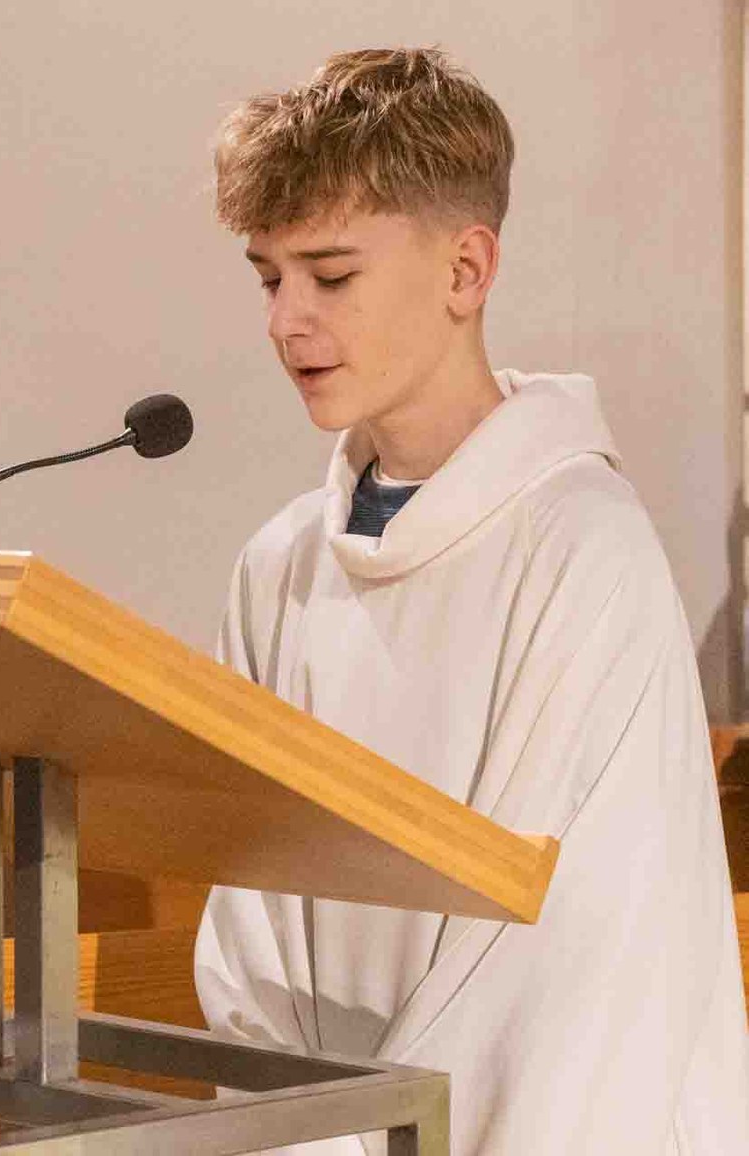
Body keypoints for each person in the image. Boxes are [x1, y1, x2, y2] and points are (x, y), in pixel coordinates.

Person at [193, 47, 749, 1155]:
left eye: (329, 275)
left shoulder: (580, 546)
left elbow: (570, 957)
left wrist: (381, 1132)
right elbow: (249, 926)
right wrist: (310, 1134)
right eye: (268, 278)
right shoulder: (280, 566)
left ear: (465, 269)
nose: (285, 320)